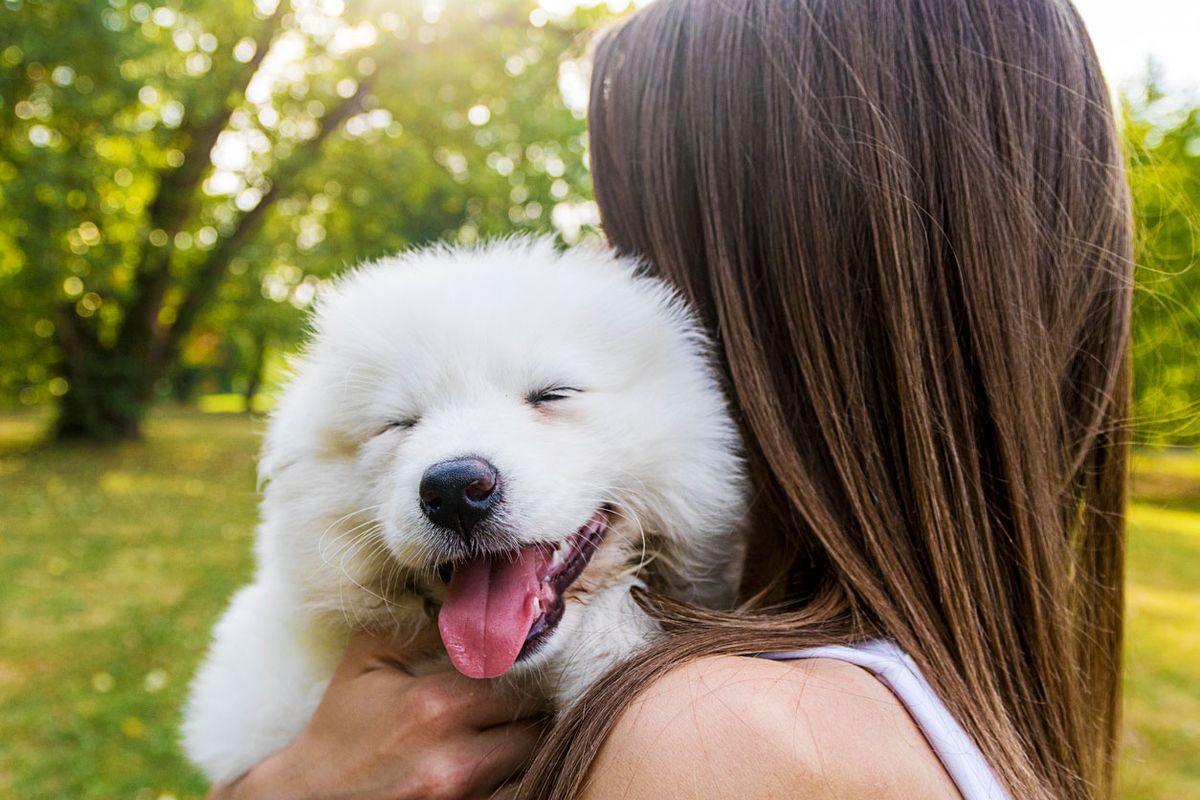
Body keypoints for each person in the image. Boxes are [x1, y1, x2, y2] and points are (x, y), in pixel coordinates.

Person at [210, 0, 1133, 797]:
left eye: (632, 236)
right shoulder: (954, 666)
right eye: (399, 422)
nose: (611, 269)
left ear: (774, 299)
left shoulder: (713, 742)